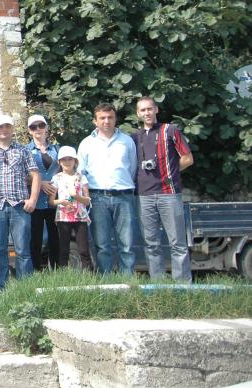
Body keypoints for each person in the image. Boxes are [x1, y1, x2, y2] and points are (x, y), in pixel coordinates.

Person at [133, 96, 194, 283]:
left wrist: (171, 173)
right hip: (144, 195)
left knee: (178, 243)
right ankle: (158, 283)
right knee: (151, 244)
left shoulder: (170, 130)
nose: (147, 113)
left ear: (156, 110)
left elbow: (188, 158)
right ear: (138, 113)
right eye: (143, 110)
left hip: (169, 193)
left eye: (150, 109)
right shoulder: (134, 137)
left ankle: (182, 283)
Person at [0, 114, 41, 292]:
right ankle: (1, 286)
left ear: (12, 129)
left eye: (7, 126)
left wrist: (33, 199)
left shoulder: (23, 150)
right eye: (0, 127)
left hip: (20, 206)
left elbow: (36, 175)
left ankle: (25, 288)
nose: (4, 130)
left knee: (22, 250)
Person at [77, 103, 138, 275]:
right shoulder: (87, 143)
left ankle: (128, 281)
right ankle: (106, 280)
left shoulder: (127, 141)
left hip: (124, 196)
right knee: (102, 244)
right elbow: (80, 172)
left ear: (115, 119)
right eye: (102, 118)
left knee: (126, 244)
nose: (106, 121)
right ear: (95, 121)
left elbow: (132, 169)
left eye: (110, 117)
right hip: (97, 197)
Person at [25, 114, 60, 271]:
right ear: (29, 131)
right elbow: (21, 175)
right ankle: (36, 272)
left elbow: (67, 171)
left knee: (55, 239)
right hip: (35, 201)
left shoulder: (57, 150)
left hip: (55, 200)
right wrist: (40, 183)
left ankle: (56, 273)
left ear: (46, 127)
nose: (38, 129)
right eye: (33, 127)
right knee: (35, 239)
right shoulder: (25, 150)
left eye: (41, 125)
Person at [50, 146, 92, 270]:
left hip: (80, 217)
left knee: (84, 249)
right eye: (64, 159)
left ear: (75, 161)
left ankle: (89, 277)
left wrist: (76, 196)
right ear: (59, 162)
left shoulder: (81, 177)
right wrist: (61, 201)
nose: (67, 162)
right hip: (63, 217)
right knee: (63, 249)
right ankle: (63, 277)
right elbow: (51, 202)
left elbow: (87, 200)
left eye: (70, 159)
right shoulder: (56, 178)